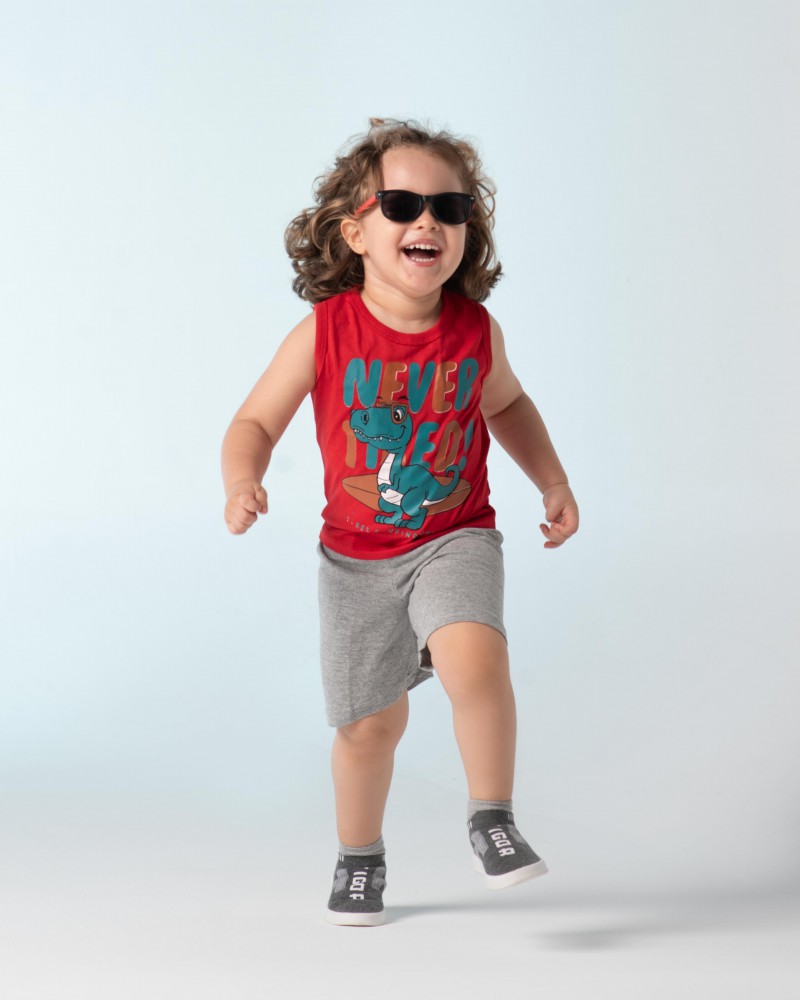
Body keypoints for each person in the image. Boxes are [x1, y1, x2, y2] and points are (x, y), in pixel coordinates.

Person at [221, 119, 579, 927]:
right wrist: (244, 478)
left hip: (456, 534)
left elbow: (509, 406)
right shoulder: (325, 331)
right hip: (356, 561)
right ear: (355, 231)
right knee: (367, 727)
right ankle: (360, 858)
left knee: (474, 658)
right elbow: (254, 422)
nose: (429, 221)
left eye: (449, 207)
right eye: (402, 204)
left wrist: (551, 480)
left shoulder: (475, 330)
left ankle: (491, 817)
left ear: (466, 231)